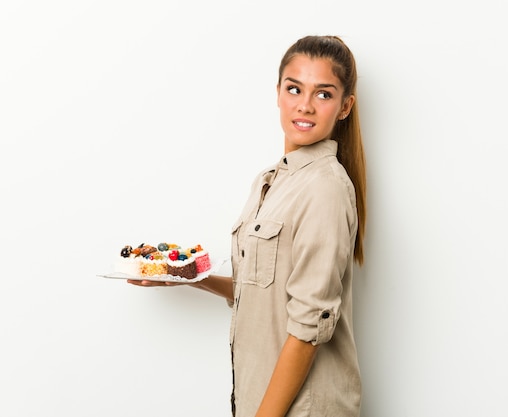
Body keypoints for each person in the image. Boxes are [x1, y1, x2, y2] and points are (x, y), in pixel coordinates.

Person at [128, 34, 367, 417]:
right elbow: (261, 292)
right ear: (277, 93)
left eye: (323, 94)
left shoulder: (325, 187)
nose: (304, 105)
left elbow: (308, 328)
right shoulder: (270, 181)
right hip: (262, 399)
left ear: (344, 106)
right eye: (294, 88)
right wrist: (186, 277)